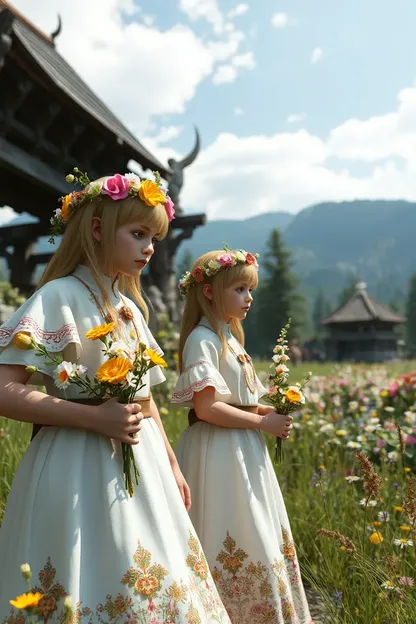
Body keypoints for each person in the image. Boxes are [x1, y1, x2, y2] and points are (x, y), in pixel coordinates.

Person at [0, 172, 231, 623]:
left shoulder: (128, 308)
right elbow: (4, 390)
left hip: (143, 465)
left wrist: (170, 461)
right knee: (88, 569)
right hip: (74, 466)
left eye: (154, 237)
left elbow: (145, 401)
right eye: (138, 233)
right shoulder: (57, 296)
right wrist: (92, 418)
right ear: (98, 229)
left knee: (152, 570)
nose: (149, 247)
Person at [172, 249, 312, 624]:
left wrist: (265, 411)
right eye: (239, 289)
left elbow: (233, 400)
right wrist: (260, 424)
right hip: (219, 452)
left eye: (250, 290)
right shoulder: (202, 340)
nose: (249, 298)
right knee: (230, 527)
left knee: (255, 529)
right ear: (209, 291)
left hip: (242, 448)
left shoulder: (230, 339)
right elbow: (206, 409)